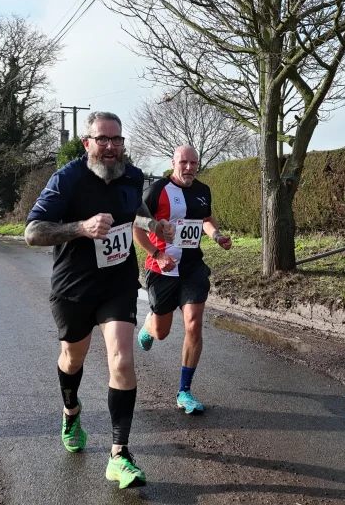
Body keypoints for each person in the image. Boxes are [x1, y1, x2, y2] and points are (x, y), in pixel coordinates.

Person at [25, 111, 175, 490]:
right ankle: (71, 410)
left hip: (118, 283)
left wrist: (153, 225)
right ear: (87, 143)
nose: (111, 146)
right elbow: (32, 232)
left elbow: (134, 211)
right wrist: (80, 228)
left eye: (117, 139)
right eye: (103, 139)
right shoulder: (67, 179)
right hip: (73, 287)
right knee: (73, 357)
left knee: (122, 359)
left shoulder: (133, 175)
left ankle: (119, 454)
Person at [132, 145, 232, 415]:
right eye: (183, 162)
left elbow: (206, 219)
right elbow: (137, 229)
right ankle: (149, 326)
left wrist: (217, 236)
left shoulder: (202, 190)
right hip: (161, 269)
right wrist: (157, 253)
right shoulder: (156, 191)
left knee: (193, 324)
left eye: (193, 163)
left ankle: (184, 391)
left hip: (192, 268)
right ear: (173, 162)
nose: (189, 168)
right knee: (162, 332)